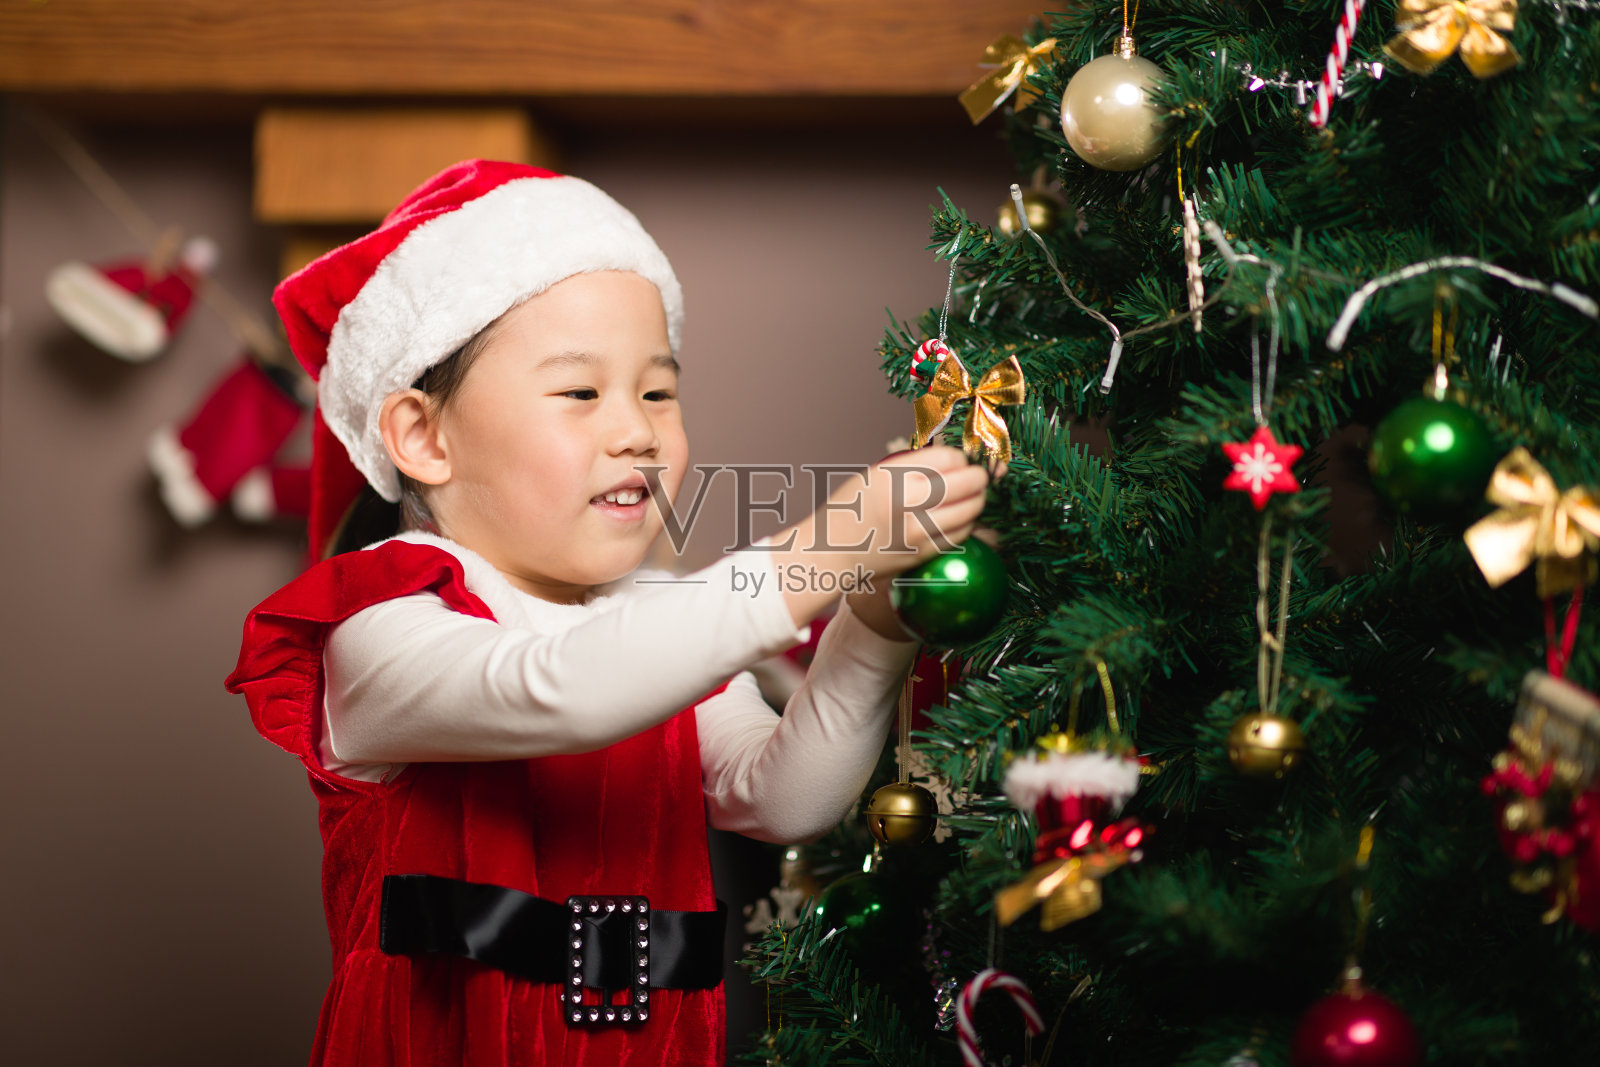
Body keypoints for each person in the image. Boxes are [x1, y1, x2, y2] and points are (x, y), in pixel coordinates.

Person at [225, 159, 992, 1067]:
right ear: (426, 437)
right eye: (581, 393)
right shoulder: (383, 629)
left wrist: (877, 620)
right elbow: (560, 688)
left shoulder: (659, 618)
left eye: (658, 392)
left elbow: (785, 796)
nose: (637, 430)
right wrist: (822, 549)